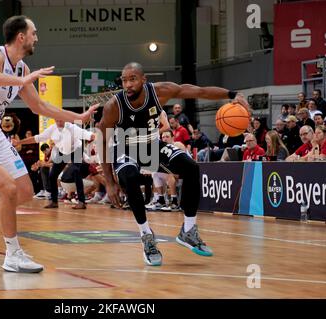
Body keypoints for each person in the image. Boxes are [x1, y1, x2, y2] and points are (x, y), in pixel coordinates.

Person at [0, 15, 97, 273]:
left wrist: (78, 117)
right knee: (7, 188)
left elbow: (40, 106)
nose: (37, 37)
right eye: (34, 32)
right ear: (21, 37)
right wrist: (21, 82)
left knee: (24, 191)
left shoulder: (22, 69)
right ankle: (12, 254)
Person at [97, 62, 250, 266]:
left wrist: (232, 95)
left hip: (151, 145)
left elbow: (199, 91)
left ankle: (188, 230)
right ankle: (147, 236)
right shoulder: (114, 106)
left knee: (191, 167)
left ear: (144, 80)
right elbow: (102, 137)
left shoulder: (161, 92)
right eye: (124, 80)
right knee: (131, 177)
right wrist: (109, 181)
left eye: (132, 79)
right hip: (126, 148)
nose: (128, 84)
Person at [14, 119, 95, 209]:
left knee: (76, 170)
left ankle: (81, 202)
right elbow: (37, 138)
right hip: (63, 151)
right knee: (52, 175)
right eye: (57, 121)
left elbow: (84, 133)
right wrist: (19, 142)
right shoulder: (52, 129)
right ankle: (54, 201)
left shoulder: (72, 128)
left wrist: (91, 135)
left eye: (61, 120)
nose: (59, 123)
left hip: (76, 149)